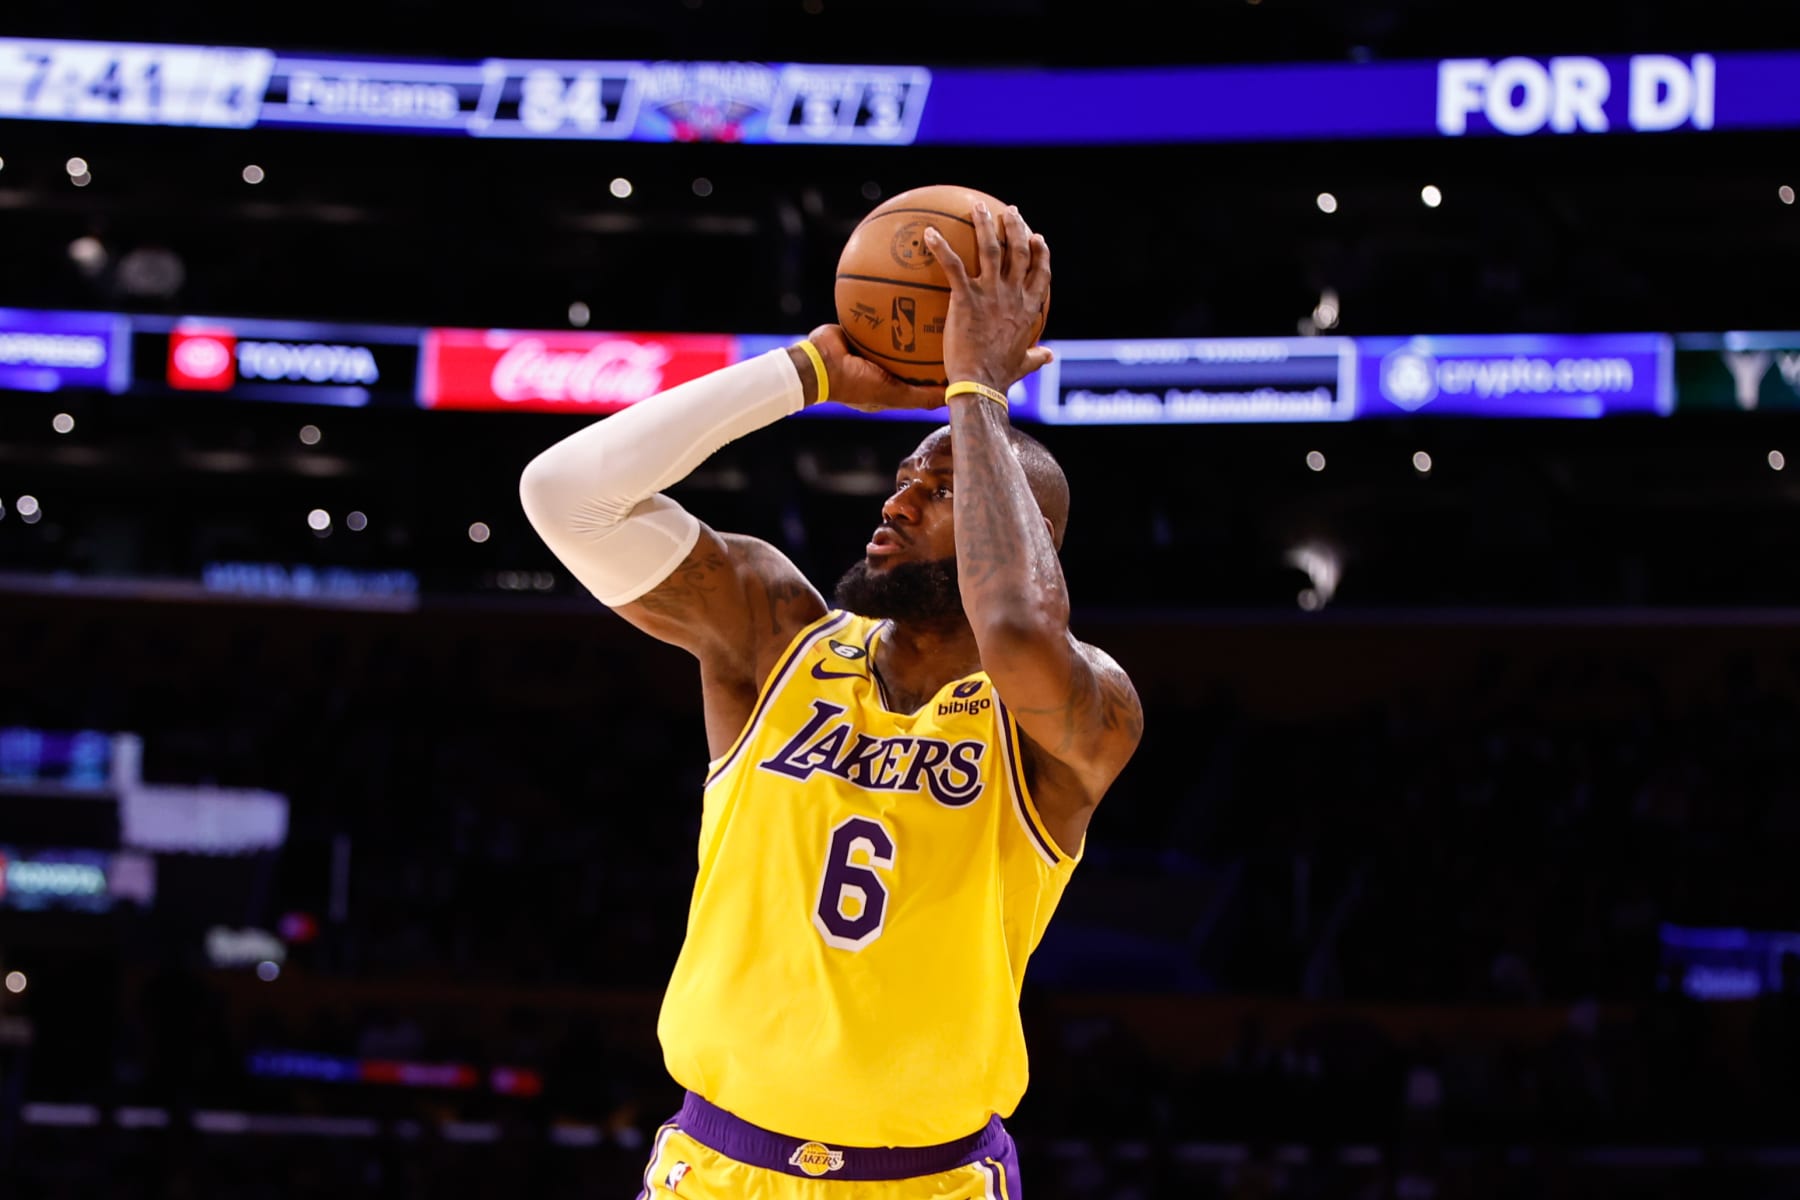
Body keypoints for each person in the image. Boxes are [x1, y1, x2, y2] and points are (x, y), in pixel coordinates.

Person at [520, 201, 1142, 1198]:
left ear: (1017, 530)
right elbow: (564, 495)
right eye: (901, 476)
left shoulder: (1078, 713)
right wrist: (806, 371)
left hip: (929, 1183)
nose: (894, 501)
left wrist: (975, 394)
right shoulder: (772, 637)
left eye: (935, 489)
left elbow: (1018, 629)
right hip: (721, 1171)